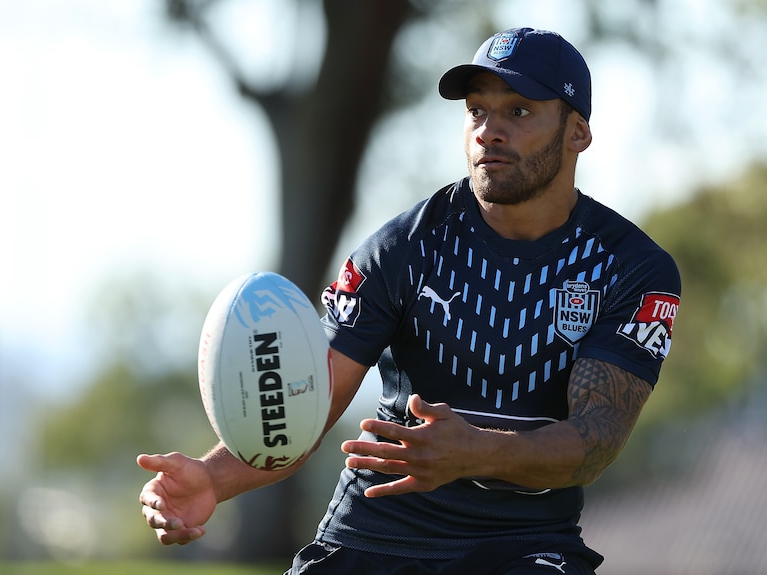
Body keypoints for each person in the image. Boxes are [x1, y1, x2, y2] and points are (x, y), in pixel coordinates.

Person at [138, 27, 681, 574]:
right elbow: (306, 405)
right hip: (376, 534)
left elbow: (597, 441)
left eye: (518, 112)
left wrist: (477, 451)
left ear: (578, 133)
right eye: (476, 112)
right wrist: (212, 478)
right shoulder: (402, 248)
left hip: (524, 544)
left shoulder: (632, 268)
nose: (488, 132)